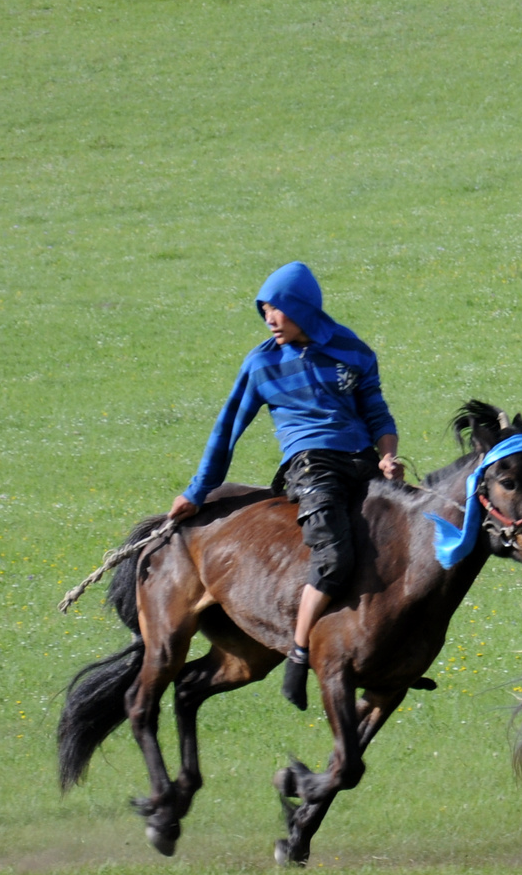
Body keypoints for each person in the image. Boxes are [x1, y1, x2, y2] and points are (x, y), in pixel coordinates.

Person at [168, 262, 404, 710]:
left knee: (406, 549)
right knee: (334, 558)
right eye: (264, 311)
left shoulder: (354, 351)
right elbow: (225, 432)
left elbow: (377, 412)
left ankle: (393, 657)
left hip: (364, 463)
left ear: (303, 310)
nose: (269, 319)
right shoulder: (262, 364)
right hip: (311, 467)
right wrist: (197, 492)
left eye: (277, 309)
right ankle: (298, 656)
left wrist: (388, 454)